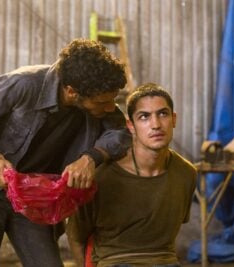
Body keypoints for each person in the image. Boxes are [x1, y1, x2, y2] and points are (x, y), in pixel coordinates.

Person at [0, 38, 131, 267]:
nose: (109, 107)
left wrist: (90, 158)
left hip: (33, 196)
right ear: (72, 92)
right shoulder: (24, 83)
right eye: (102, 102)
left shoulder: (98, 100)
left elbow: (121, 134)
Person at [66, 83, 197, 267]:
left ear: (174, 119)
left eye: (163, 114)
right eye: (144, 117)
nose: (156, 125)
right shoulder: (101, 177)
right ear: (131, 126)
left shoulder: (186, 173)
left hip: (165, 261)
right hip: (115, 261)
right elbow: (76, 237)